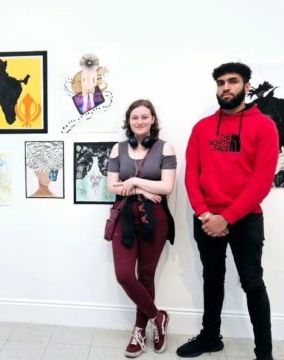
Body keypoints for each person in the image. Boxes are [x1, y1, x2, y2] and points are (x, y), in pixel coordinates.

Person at [178, 62, 279, 360]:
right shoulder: (203, 127)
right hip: (207, 218)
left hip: (245, 218)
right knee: (212, 277)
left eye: (233, 81)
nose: (226, 87)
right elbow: (191, 173)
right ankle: (211, 337)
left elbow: (262, 180)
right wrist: (205, 214)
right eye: (221, 82)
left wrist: (228, 217)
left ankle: (264, 352)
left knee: (252, 282)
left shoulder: (264, 126)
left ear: (246, 86)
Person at [106, 99, 177, 357]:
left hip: (154, 219)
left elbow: (167, 187)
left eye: (144, 117)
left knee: (145, 275)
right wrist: (143, 188)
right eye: (134, 117)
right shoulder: (118, 149)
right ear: (128, 122)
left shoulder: (164, 148)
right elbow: (111, 186)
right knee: (125, 275)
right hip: (124, 216)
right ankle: (157, 317)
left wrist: (133, 180)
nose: (139, 121)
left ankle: (139, 330)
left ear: (153, 120)